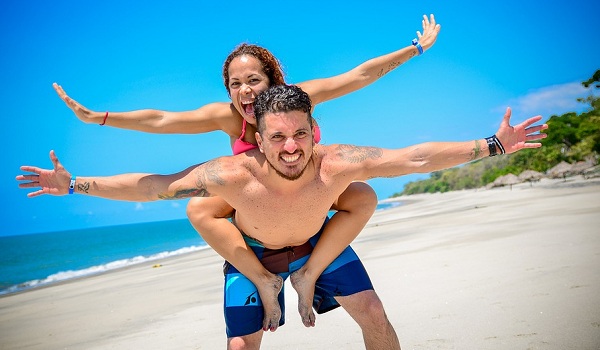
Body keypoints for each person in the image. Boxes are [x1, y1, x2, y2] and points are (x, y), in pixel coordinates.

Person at [18, 84, 547, 350]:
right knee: (240, 346)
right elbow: (157, 187)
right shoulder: (231, 173)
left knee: (375, 315)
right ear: (258, 137)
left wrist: (495, 144)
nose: (290, 147)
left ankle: (309, 275)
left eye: (300, 133)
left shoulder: (338, 161)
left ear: (313, 129)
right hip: (255, 255)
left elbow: (415, 157)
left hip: (319, 243)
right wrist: (75, 184)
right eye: (277, 136)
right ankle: (271, 285)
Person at [52, 15, 442, 329]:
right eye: (235, 84)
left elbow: (357, 76)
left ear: (273, 80)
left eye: (253, 80)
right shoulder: (228, 116)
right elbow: (161, 119)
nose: (244, 91)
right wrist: (98, 118)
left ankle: (311, 274)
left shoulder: (297, 98)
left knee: (361, 194)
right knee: (199, 207)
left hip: (308, 196)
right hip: (259, 208)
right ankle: (262, 279)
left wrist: (415, 49)